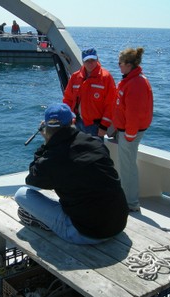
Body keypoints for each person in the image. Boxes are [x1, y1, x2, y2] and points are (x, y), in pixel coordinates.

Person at [14, 103, 129, 245]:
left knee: (21, 193)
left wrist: (46, 143)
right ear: (73, 121)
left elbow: (32, 179)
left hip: (86, 234)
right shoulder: (95, 143)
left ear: (46, 127)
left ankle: (52, 225)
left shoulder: (52, 159)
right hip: (118, 224)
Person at [113, 47, 153, 212]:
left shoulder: (136, 83)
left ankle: (131, 203)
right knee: (126, 165)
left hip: (129, 132)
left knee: (127, 167)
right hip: (125, 131)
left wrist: (129, 135)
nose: (119, 66)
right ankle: (128, 199)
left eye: (120, 63)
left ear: (129, 64)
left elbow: (133, 113)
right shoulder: (132, 80)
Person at [63, 48, 116, 140]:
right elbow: (68, 99)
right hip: (77, 123)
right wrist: (68, 117)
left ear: (97, 59)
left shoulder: (106, 78)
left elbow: (111, 104)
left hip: (95, 126)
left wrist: (104, 125)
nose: (90, 63)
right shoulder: (75, 77)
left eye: (93, 60)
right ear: (83, 62)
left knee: (95, 153)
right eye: (87, 61)